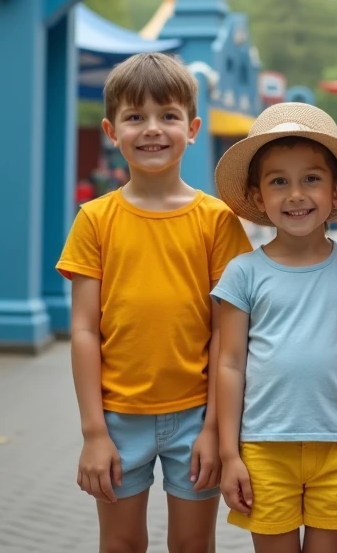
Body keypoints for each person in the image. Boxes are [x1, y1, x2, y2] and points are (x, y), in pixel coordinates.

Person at [56, 51, 253, 553]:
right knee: (120, 542)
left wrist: (215, 429)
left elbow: (226, 332)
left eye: (168, 116)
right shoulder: (95, 220)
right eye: (135, 117)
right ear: (110, 129)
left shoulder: (217, 221)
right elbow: (83, 329)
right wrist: (93, 433)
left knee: (193, 544)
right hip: (118, 418)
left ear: (192, 128)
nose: (152, 129)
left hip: (197, 414)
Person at [213, 103, 337, 553]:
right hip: (264, 447)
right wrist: (229, 453)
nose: (295, 195)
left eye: (311, 178)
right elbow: (229, 364)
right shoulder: (242, 273)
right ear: (256, 196)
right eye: (278, 181)